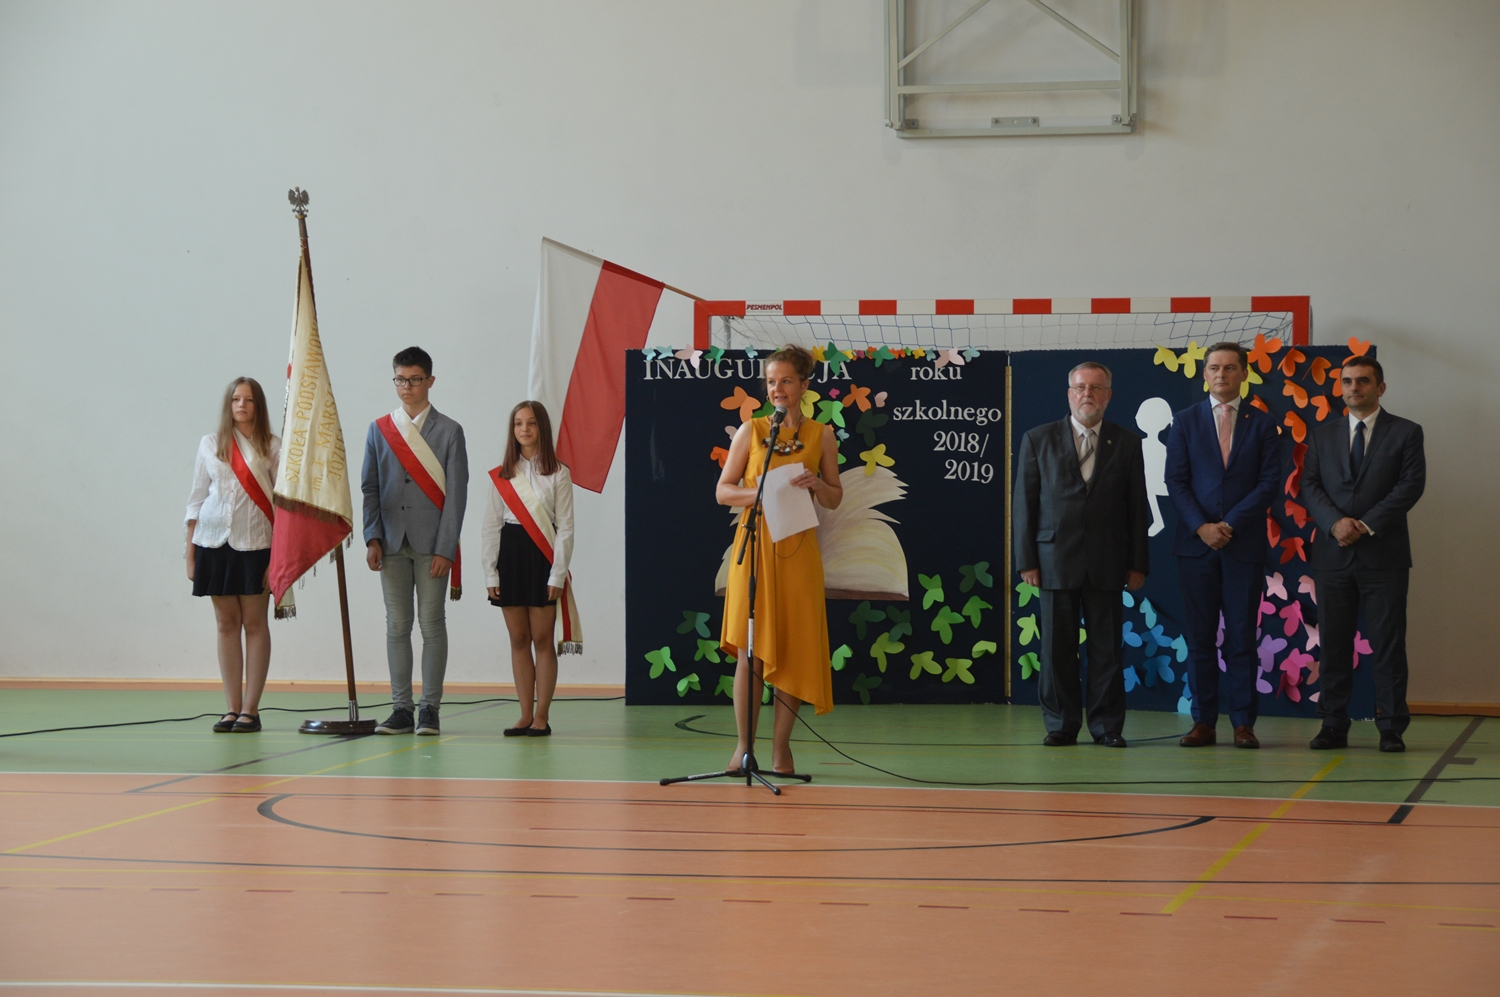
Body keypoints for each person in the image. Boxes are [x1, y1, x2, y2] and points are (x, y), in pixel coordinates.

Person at [717, 345, 842, 775]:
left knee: (794, 648)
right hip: (753, 549)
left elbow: (834, 497)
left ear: (804, 385)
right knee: (749, 650)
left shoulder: (822, 435)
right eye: (771, 381)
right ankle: (743, 747)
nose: (777, 389)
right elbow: (723, 491)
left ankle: (781, 749)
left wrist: (816, 485)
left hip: (797, 550)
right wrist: (762, 492)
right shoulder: (750, 431)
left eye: (786, 380)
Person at [1013, 361, 1149, 748]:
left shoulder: (1127, 443)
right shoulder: (1038, 439)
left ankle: (1107, 726)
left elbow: (1136, 507)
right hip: (1053, 560)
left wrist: (1138, 563)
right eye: (1080, 387)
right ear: (1069, 393)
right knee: (1056, 650)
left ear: (1108, 395)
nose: (1087, 394)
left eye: (1096, 387)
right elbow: (1024, 505)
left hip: (1109, 562)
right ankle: (1061, 724)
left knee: (1107, 650)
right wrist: (1027, 560)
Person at [1300, 356, 1425, 752]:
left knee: (1388, 645)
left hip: (1384, 556)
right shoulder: (1322, 435)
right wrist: (1335, 523)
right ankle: (1332, 725)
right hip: (1332, 556)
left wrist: (1365, 524)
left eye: (1363, 381)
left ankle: (1391, 728)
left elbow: (1411, 485)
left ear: (1380, 388)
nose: (1354, 387)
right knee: (1334, 644)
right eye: (1348, 381)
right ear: (1340, 387)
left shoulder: (1406, 432)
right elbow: (1310, 485)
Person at [1165, 342, 1281, 749]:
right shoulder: (1185, 421)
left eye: (1230, 367)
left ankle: (1243, 724)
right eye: (1214, 367)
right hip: (1196, 547)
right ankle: (1203, 722)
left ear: (1243, 374)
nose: (1221, 374)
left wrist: (1228, 525)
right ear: (1205, 374)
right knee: (1200, 639)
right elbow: (1175, 481)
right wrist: (1202, 527)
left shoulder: (1263, 424)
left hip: (1242, 544)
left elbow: (1269, 482)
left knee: (1241, 638)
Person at [362, 346, 469, 737]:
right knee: (396, 626)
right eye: (400, 380)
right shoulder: (379, 429)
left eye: (415, 379)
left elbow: (457, 495)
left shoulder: (450, 431)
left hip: (432, 545)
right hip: (390, 543)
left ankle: (430, 709)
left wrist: (446, 548)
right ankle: (401, 708)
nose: (407, 387)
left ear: (430, 381)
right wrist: (372, 537)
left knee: (432, 625)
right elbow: (370, 488)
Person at [184, 377, 279, 733]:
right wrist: (190, 554)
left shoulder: (273, 446)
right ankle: (231, 707)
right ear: (229, 404)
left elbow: (283, 507)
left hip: (257, 545)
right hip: (213, 544)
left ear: (258, 405)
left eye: (249, 400)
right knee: (226, 624)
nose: (242, 405)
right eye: (236, 399)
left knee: (254, 624)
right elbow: (196, 500)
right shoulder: (210, 444)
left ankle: (251, 709)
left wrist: (278, 560)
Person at [481, 401, 580, 737]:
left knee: (542, 638)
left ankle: (541, 715)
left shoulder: (558, 473)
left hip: (542, 557)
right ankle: (524, 714)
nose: (524, 429)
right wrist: (490, 572)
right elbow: (491, 526)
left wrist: (557, 573)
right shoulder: (502, 474)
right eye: (518, 423)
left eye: (531, 423)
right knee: (519, 638)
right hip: (510, 556)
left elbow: (566, 528)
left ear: (542, 428)